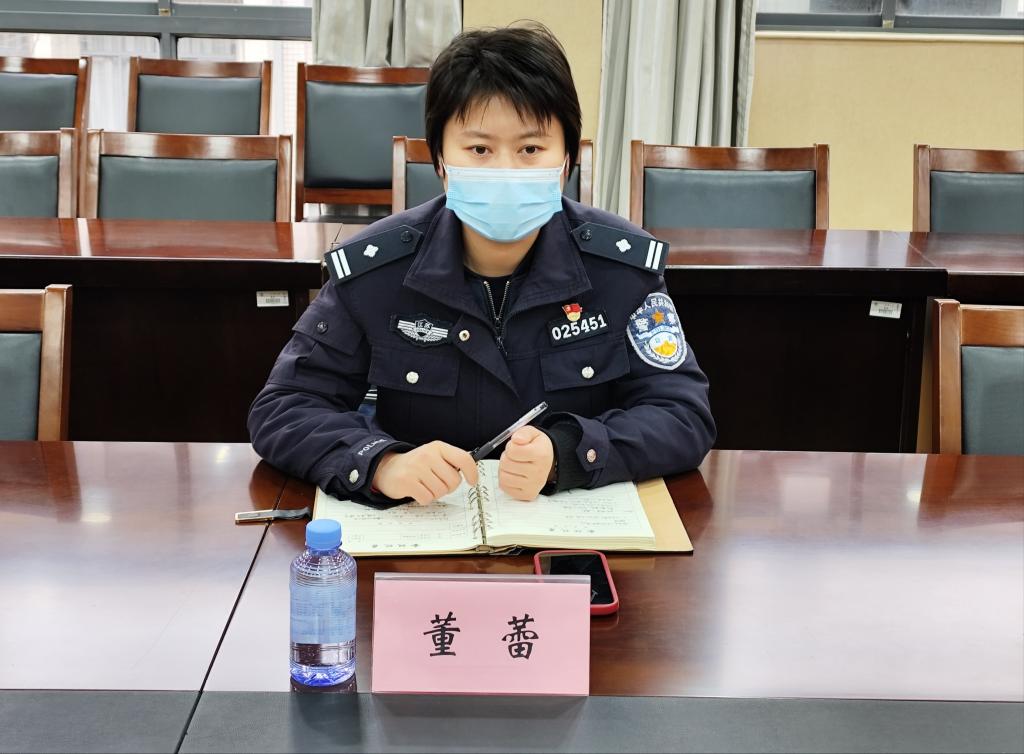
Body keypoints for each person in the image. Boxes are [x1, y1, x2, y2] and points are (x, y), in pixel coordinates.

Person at [249, 23, 715, 506]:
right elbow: (285, 407)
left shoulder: (621, 270)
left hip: (566, 532)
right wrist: (380, 463)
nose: (505, 171)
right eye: (479, 149)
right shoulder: (377, 271)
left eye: (531, 149)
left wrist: (571, 453)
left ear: (567, 160)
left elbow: (682, 415)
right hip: (425, 527)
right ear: (440, 161)